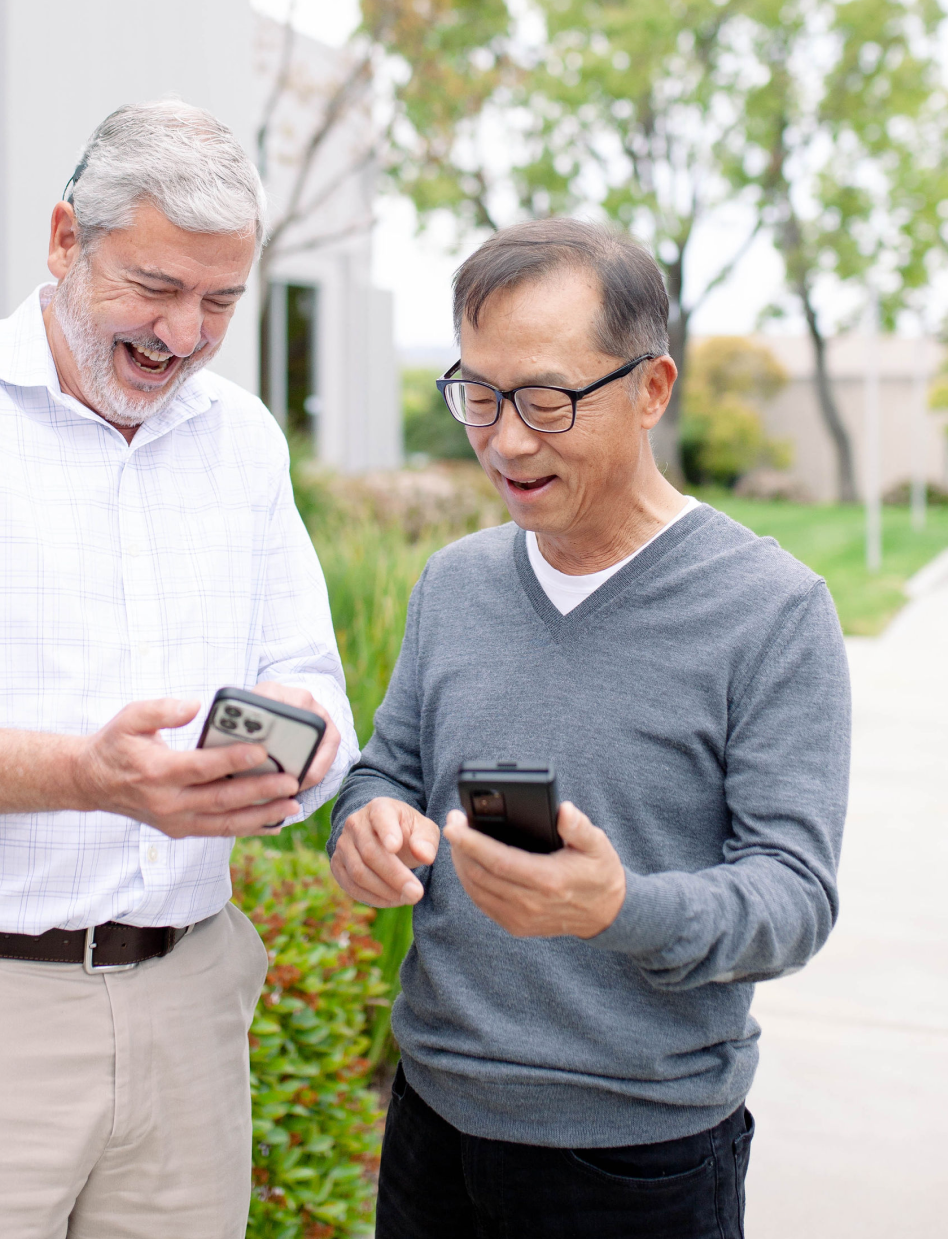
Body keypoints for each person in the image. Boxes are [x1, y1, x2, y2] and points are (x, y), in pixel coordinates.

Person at [0, 100, 358, 1239]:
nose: (185, 334)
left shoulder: (241, 440)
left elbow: (311, 677)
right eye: (154, 287)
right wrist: (83, 774)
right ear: (63, 240)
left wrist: (295, 744)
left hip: (190, 1004)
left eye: (220, 302)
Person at [329, 218, 850, 1239]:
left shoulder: (770, 609)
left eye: (546, 399)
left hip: (636, 1162)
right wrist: (371, 822)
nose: (505, 438)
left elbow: (793, 896)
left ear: (650, 390)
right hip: (431, 1125)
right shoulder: (457, 583)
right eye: (478, 394)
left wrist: (619, 907)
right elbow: (387, 770)